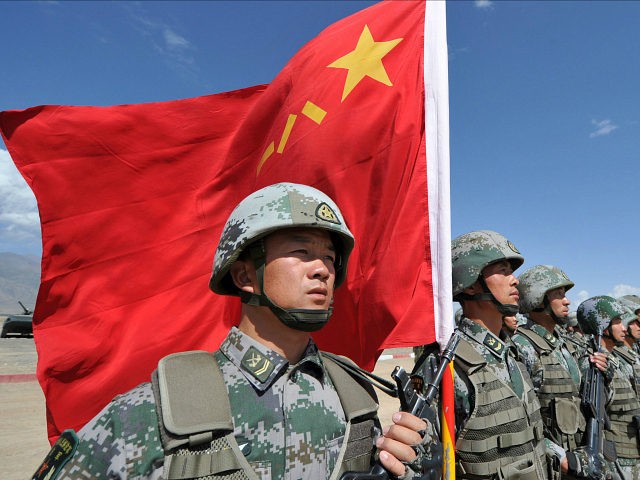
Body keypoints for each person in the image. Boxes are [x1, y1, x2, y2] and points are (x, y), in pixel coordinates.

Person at [33, 183, 434, 480]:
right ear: (244, 274)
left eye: (329, 257)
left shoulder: (354, 394)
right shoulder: (160, 410)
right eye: (302, 252)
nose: (323, 269)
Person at [413, 230, 550, 479]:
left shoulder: (513, 355)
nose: (515, 280)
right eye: (504, 270)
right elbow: (424, 464)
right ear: (472, 283)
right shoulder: (445, 364)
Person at [511, 265, 608, 479]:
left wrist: (601, 374)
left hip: (581, 457)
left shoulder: (569, 346)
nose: (567, 301)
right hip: (551, 465)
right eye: (559, 295)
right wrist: (559, 456)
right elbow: (519, 420)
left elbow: (587, 401)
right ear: (539, 299)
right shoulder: (522, 346)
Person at [577, 296, 640, 480]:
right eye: (617, 322)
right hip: (617, 460)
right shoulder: (594, 364)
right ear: (602, 326)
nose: (624, 327)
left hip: (630, 456)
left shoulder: (614, 361)